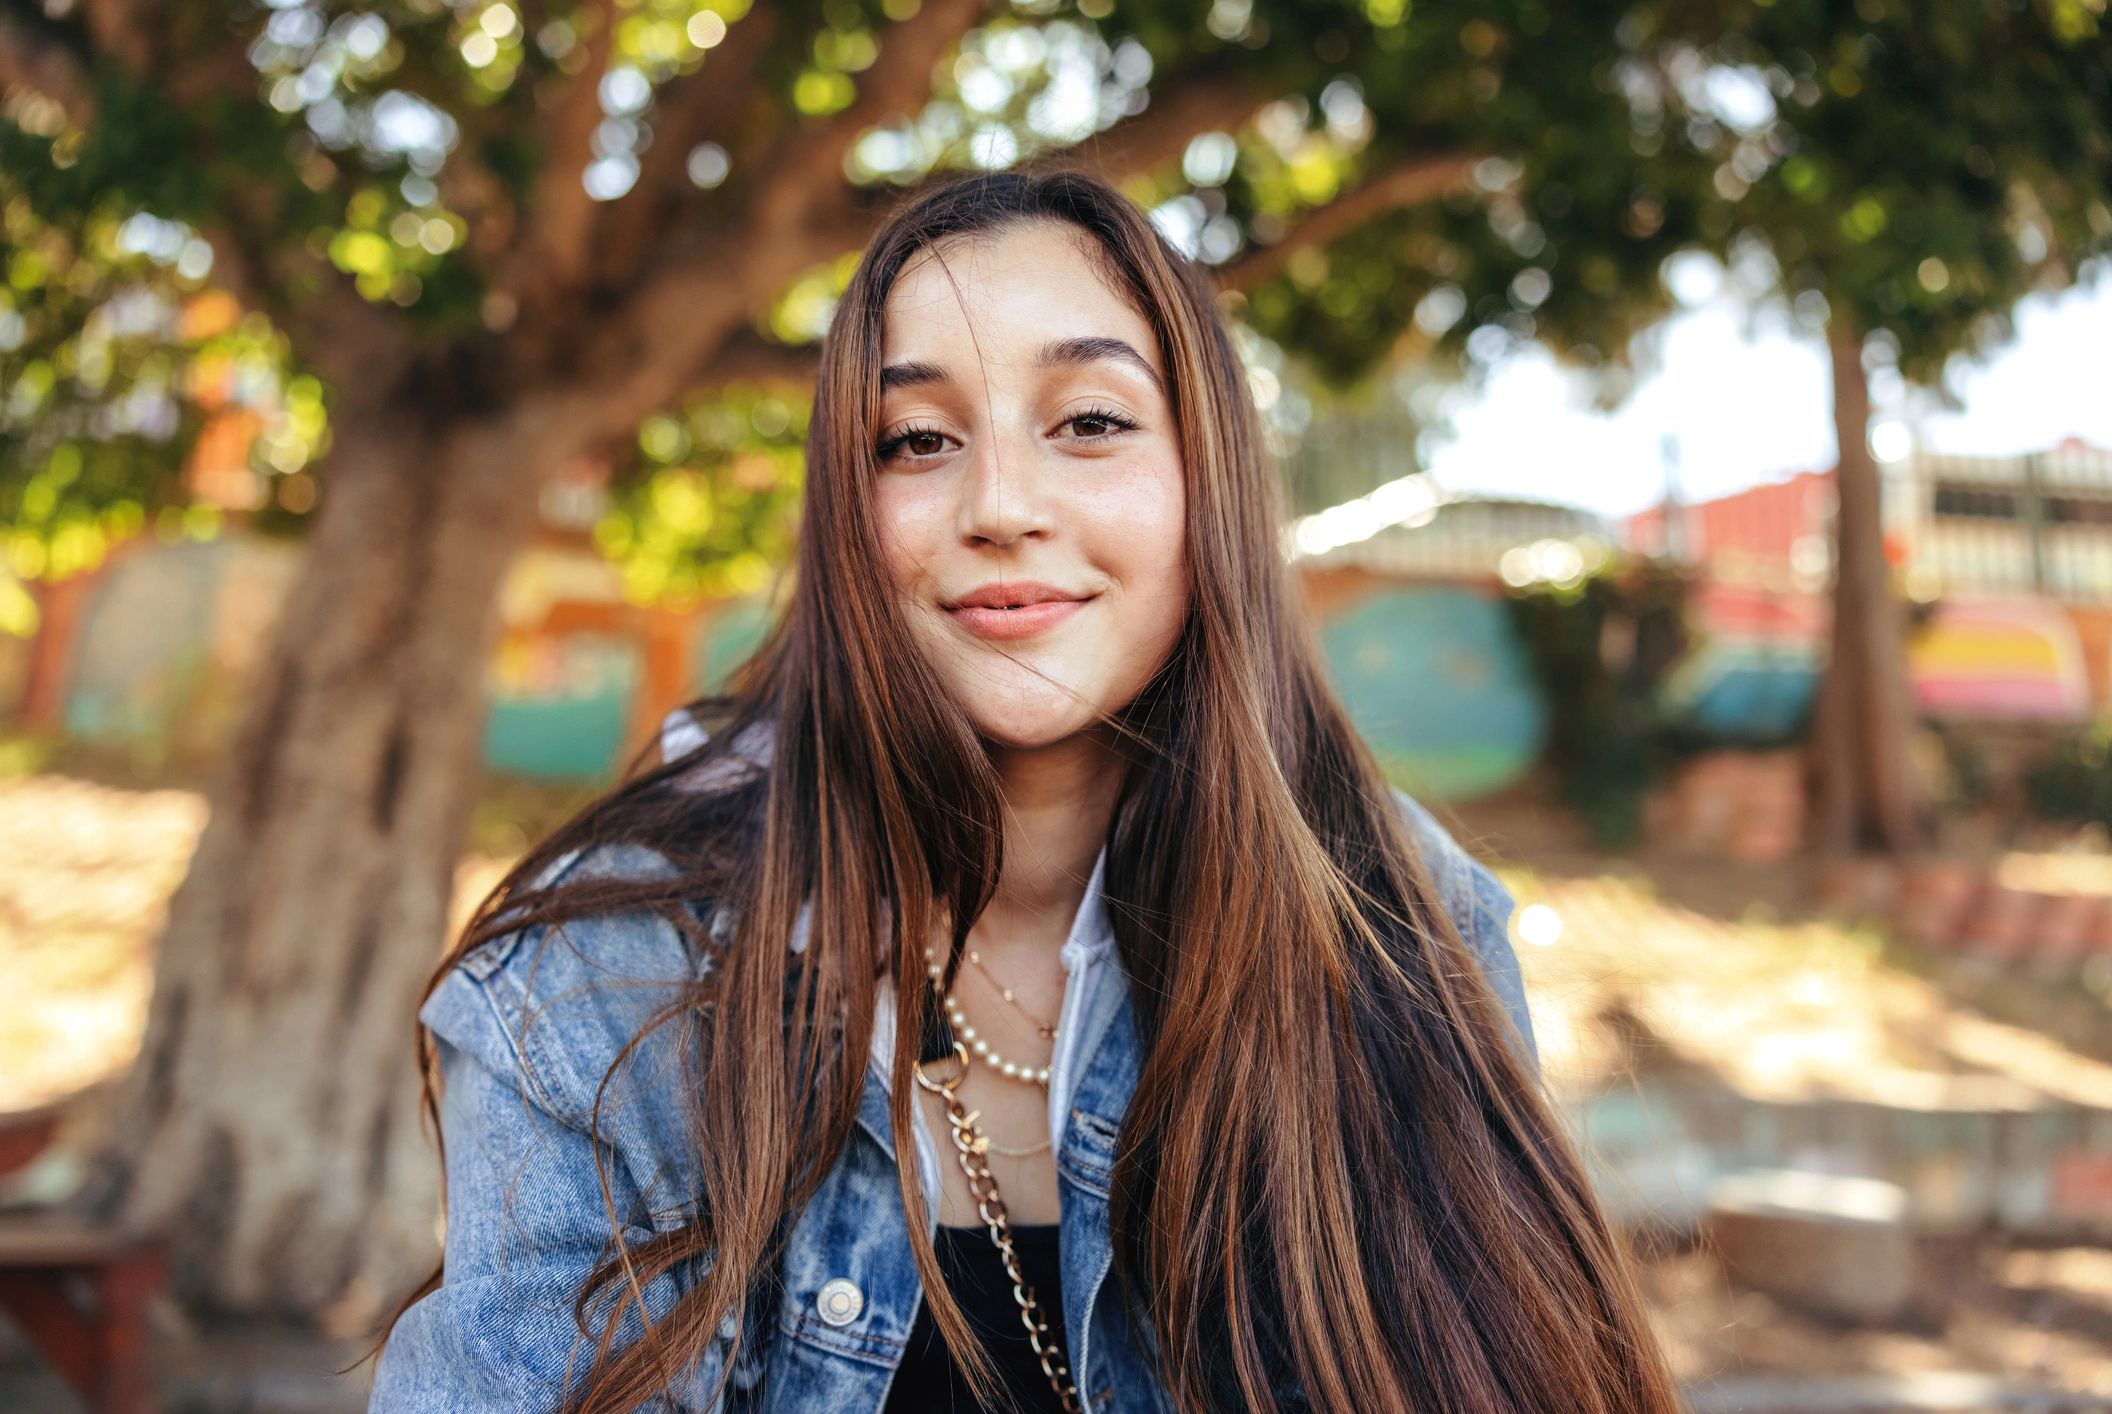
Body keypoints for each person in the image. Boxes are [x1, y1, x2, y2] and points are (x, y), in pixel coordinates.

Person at [366, 169, 1681, 1413]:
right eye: (918, 437)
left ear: (1205, 479)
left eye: (1091, 423)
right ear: (843, 514)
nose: (1001, 503)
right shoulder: (618, 959)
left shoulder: (1401, 917)